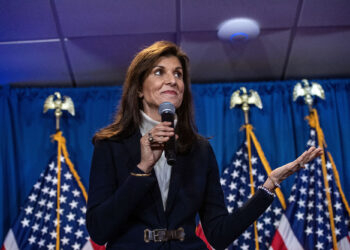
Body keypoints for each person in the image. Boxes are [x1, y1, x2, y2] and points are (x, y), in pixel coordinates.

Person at [86, 41, 322, 250]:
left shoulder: (199, 150)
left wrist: (269, 186)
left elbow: (219, 234)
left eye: (178, 74)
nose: (172, 80)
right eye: (159, 72)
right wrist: (142, 169)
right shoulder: (110, 144)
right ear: (138, 88)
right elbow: (99, 230)